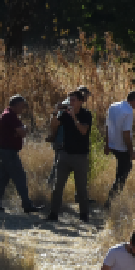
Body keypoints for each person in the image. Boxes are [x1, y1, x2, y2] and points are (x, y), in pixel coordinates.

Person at [46, 90, 94, 223]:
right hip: (65, 154)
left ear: (80, 101)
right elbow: (53, 126)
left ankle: (84, 215)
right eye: (69, 100)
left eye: (73, 100)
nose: (70, 103)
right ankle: (53, 214)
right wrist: (55, 112)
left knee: (81, 188)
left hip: (80, 156)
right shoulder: (64, 114)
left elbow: (83, 131)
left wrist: (74, 117)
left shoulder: (86, 114)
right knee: (57, 186)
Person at [0, 95, 44, 213]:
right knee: (20, 177)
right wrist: (22, 130)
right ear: (15, 105)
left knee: (2, 179)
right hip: (9, 153)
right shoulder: (10, 116)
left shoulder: (9, 114)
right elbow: (23, 132)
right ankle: (27, 205)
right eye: (21, 105)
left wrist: (21, 131)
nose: (23, 108)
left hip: (6, 151)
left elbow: (21, 132)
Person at [104, 91, 135, 205]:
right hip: (122, 147)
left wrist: (107, 144)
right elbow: (126, 133)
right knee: (122, 175)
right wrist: (131, 151)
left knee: (122, 171)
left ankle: (112, 200)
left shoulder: (113, 106)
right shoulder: (128, 111)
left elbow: (107, 126)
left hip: (112, 145)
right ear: (134, 100)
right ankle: (111, 201)